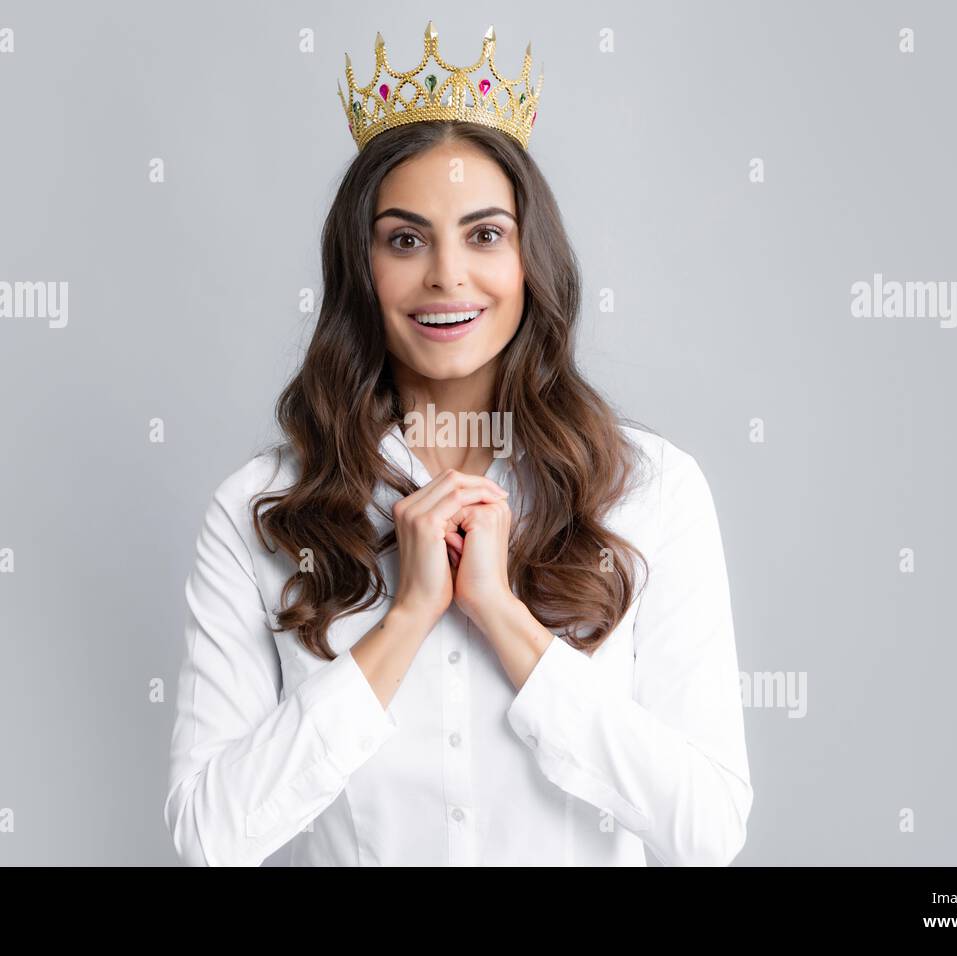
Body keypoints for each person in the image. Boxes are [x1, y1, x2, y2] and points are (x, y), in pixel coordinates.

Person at [163, 21, 752, 866]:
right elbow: (207, 838)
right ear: (361, 269)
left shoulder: (650, 491)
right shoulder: (261, 513)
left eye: (484, 235)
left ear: (528, 260)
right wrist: (405, 619)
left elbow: (707, 832)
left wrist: (502, 618)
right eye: (406, 239)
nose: (446, 275)